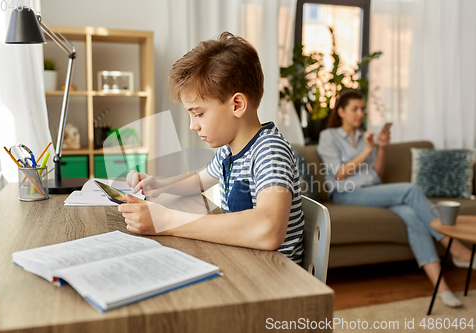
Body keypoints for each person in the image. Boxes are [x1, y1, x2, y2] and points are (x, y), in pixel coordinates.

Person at [119, 32, 304, 263]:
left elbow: (269, 230)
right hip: (241, 260)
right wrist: (160, 186)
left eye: (198, 113)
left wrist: (165, 221)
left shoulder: (269, 151)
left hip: (272, 276)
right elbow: (198, 180)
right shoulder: (229, 150)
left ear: (237, 105)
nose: (192, 126)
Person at [317, 90, 475, 307]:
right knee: (410, 190)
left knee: (411, 214)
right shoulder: (329, 137)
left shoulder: (366, 136)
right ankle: (456, 249)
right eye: (354, 109)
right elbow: (339, 173)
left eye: (362, 109)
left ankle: (442, 288)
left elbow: (378, 174)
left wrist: (381, 149)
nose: (359, 113)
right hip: (346, 193)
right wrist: (367, 150)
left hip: (373, 190)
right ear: (341, 111)